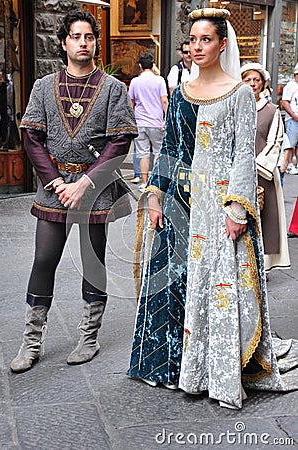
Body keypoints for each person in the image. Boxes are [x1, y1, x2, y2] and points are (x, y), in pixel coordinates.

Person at [127, 8, 298, 409]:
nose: (198, 46)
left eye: (207, 39)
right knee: (176, 283)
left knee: (218, 286)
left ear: (223, 44)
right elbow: (170, 148)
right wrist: (155, 195)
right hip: (182, 205)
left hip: (221, 204)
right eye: (193, 40)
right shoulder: (183, 93)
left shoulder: (239, 92)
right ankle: (179, 367)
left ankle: (214, 370)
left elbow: (243, 153)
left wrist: (237, 209)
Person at [10, 9, 137, 373]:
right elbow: (32, 137)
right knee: (44, 260)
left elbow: (120, 141)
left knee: (92, 262)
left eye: (90, 37)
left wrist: (85, 182)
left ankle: (89, 337)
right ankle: (31, 342)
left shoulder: (114, 89)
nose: (84, 43)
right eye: (76, 37)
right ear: (63, 42)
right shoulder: (43, 87)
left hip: (94, 189)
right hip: (54, 188)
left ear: (95, 42)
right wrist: (55, 182)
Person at [241, 62, 290, 274]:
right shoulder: (236, 107)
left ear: (263, 83)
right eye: (248, 80)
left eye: (256, 80)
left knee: (265, 219)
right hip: (238, 171)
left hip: (262, 173)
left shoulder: (271, 110)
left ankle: (263, 265)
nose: (252, 84)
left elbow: (275, 141)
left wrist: (256, 166)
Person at [128, 53, 168, 192]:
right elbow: (164, 100)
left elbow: (131, 102)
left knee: (143, 153)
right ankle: (156, 183)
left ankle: (144, 183)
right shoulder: (159, 80)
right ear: (152, 65)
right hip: (156, 122)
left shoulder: (134, 82)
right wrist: (166, 118)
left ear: (140, 66)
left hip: (140, 122)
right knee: (158, 151)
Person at [281, 63, 298, 175]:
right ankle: (289, 164)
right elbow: (284, 102)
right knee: (291, 144)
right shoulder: (290, 86)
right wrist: (293, 115)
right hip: (293, 119)